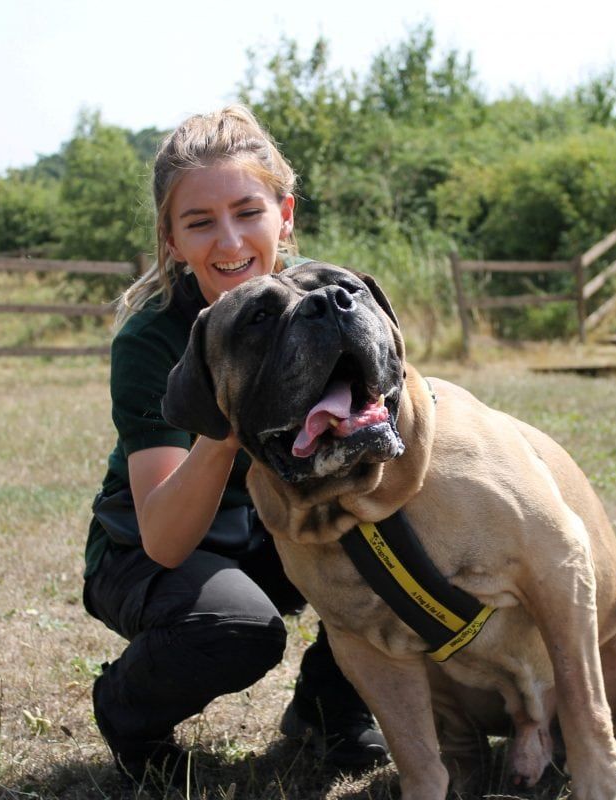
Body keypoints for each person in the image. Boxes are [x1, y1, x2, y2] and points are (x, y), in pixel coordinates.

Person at [83, 105, 388, 787]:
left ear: (285, 215)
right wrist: (221, 422)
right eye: (199, 222)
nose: (229, 242)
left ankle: (328, 708)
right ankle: (127, 711)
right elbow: (163, 536)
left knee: (402, 557)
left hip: (275, 528)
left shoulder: (328, 302)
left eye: (248, 212)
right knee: (236, 627)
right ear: (170, 239)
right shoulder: (153, 339)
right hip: (149, 547)